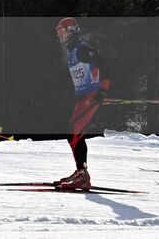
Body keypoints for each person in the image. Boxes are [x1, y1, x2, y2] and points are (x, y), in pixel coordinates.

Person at [55, 17, 110, 191]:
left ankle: (83, 176)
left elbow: (105, 66)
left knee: (75, 133)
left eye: (62, 31)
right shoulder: (72, 52)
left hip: (91, 95)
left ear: (71, 31)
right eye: (58, 32)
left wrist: (102, 91)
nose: (60, 36)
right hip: (83, 97)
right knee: (72, 134)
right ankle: (80, 172)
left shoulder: (82, 49)